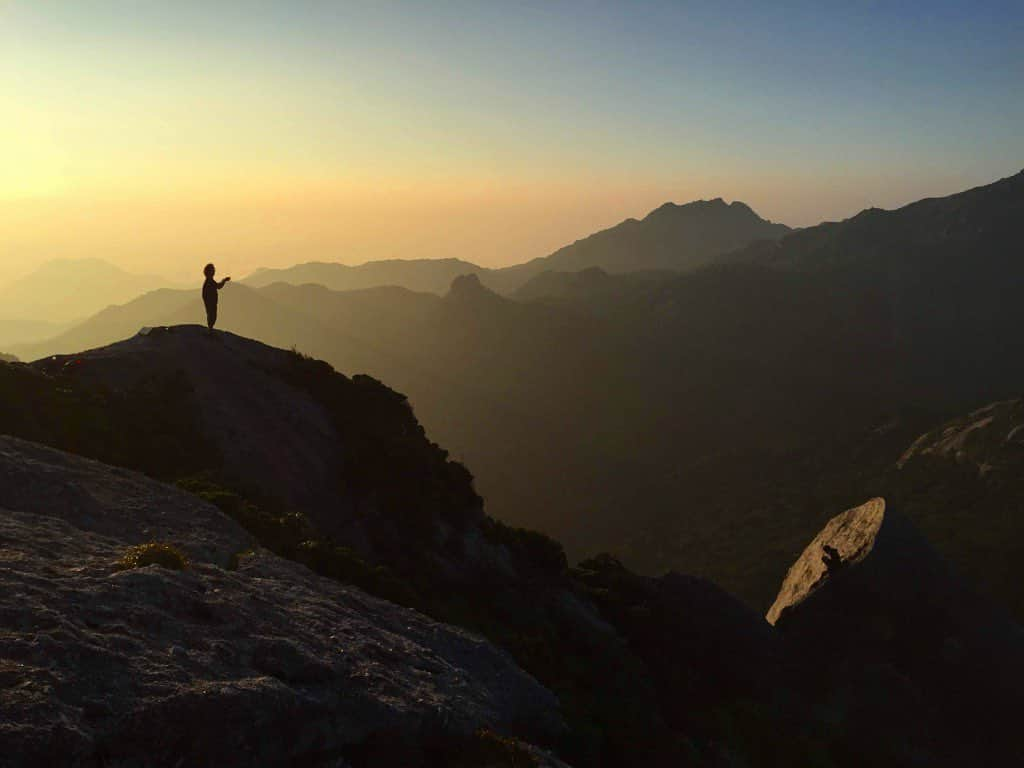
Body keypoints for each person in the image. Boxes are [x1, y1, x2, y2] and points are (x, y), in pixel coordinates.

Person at [202, 263, 231, 331]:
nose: (214, 271)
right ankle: (210, 330)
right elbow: (219, 286)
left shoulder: (209, 281)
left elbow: (218, 286)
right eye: (212, 270)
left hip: (211, 302)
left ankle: (210, 329)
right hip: (211, 302)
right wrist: (224, 280)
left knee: (211, 315)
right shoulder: (209, 281)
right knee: (212, 315)